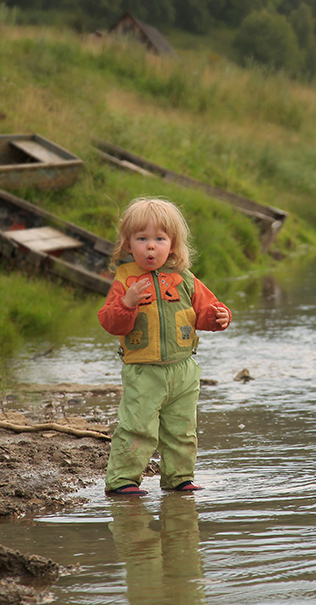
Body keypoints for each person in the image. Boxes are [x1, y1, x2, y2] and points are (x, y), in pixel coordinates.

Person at [99, 197, 231, 496]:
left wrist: (219, 317)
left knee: (181, 429)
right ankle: (122, 480)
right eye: (142, 238)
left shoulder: (185, 279)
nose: (150, 246)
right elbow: (109, 322)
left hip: (183, 370)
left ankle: (179, 477)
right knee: (137, 427)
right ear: (128, 244)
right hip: (144, 371)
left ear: (172, 245)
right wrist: (127, 302)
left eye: (159, 239)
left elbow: (205, 311)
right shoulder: (125, 280)